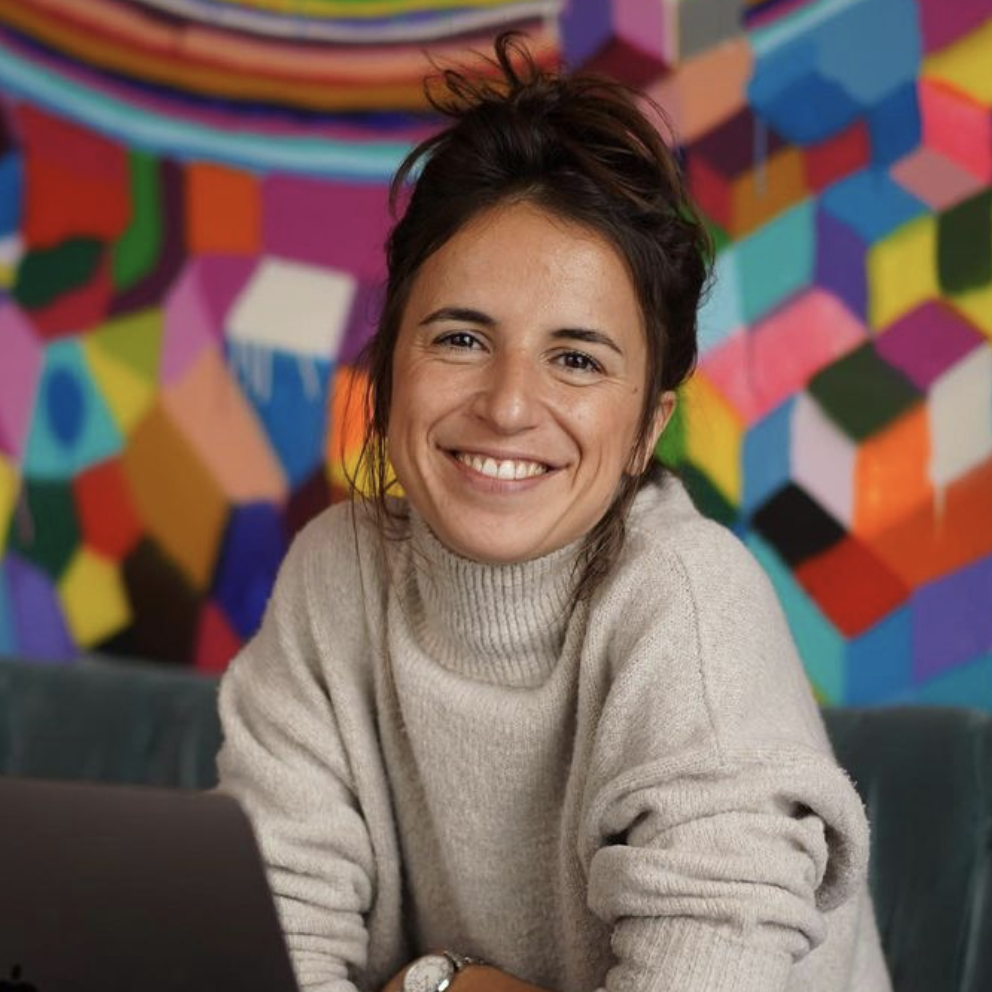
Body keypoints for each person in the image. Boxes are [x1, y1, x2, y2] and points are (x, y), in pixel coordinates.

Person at [216, 33, 892, 992]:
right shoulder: (334, 576)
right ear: (391, 363)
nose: (506, 404)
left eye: (577, 359)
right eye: (459, 338)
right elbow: (266, 951)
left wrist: (440, 984)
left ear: (646, 428)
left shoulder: (692, 610)